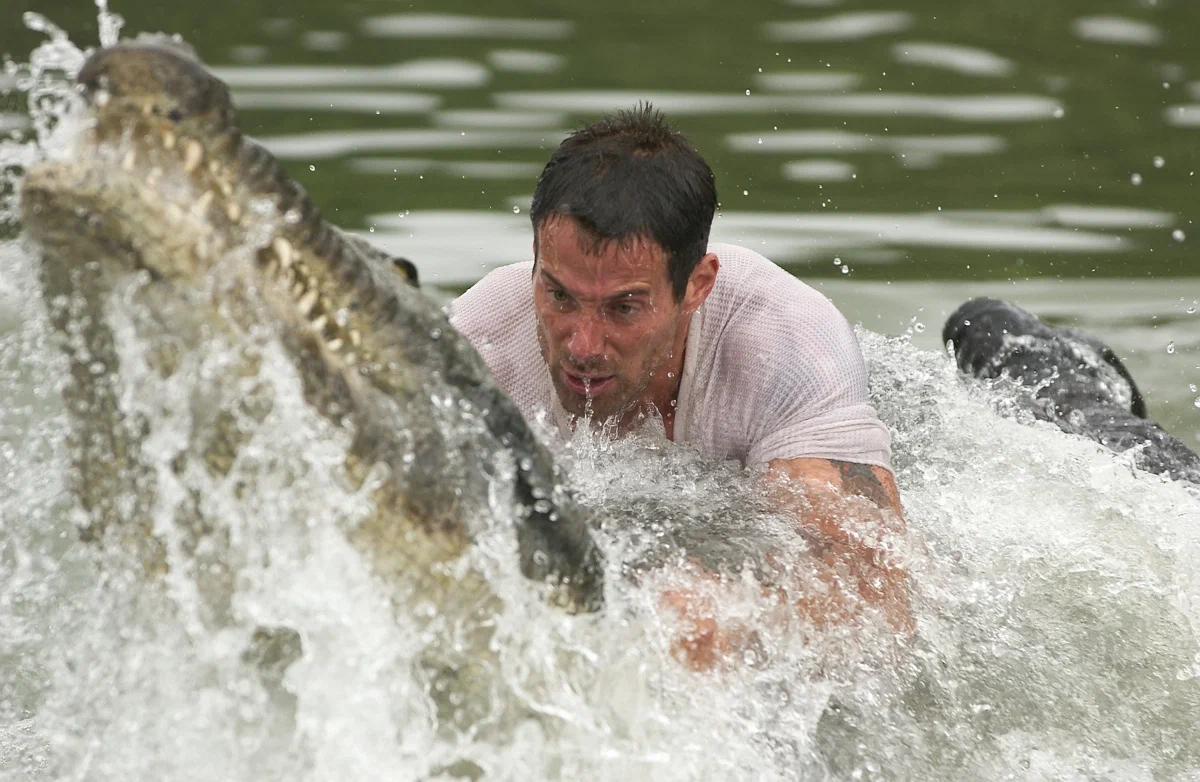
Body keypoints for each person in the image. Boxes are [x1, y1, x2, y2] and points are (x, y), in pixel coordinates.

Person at [448, 104, 910, 669]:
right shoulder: (479, 346)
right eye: (559, 296)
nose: (582, 345)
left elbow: (880, 600)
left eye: (624, 307)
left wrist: (745, 615)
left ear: (697, 285)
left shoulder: (787, 344)